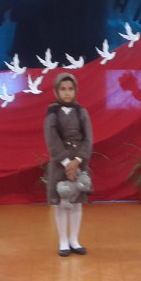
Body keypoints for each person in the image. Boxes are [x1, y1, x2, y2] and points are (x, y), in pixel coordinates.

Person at [44, 73, 93, 257]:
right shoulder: (52, 114)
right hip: (60, 164)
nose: (67, 93)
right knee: (61, 203)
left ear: (75, 91)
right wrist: (66, 163)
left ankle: (74, 240)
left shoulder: (82, 112)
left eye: (70, 89)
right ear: (57, 91)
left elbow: (88, 139)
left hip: (79, 163)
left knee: (76, 202)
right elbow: (52, 140)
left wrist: (77, 161)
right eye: (63, 89)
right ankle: (63, 241)